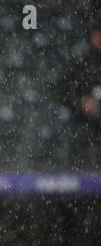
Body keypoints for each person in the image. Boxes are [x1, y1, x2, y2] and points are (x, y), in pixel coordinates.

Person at [57, 22, 101, 170]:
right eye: (98, 32)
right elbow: (62, 89)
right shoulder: (79, 58)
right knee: (79, 167)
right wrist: (81, 102)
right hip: (82, 123)